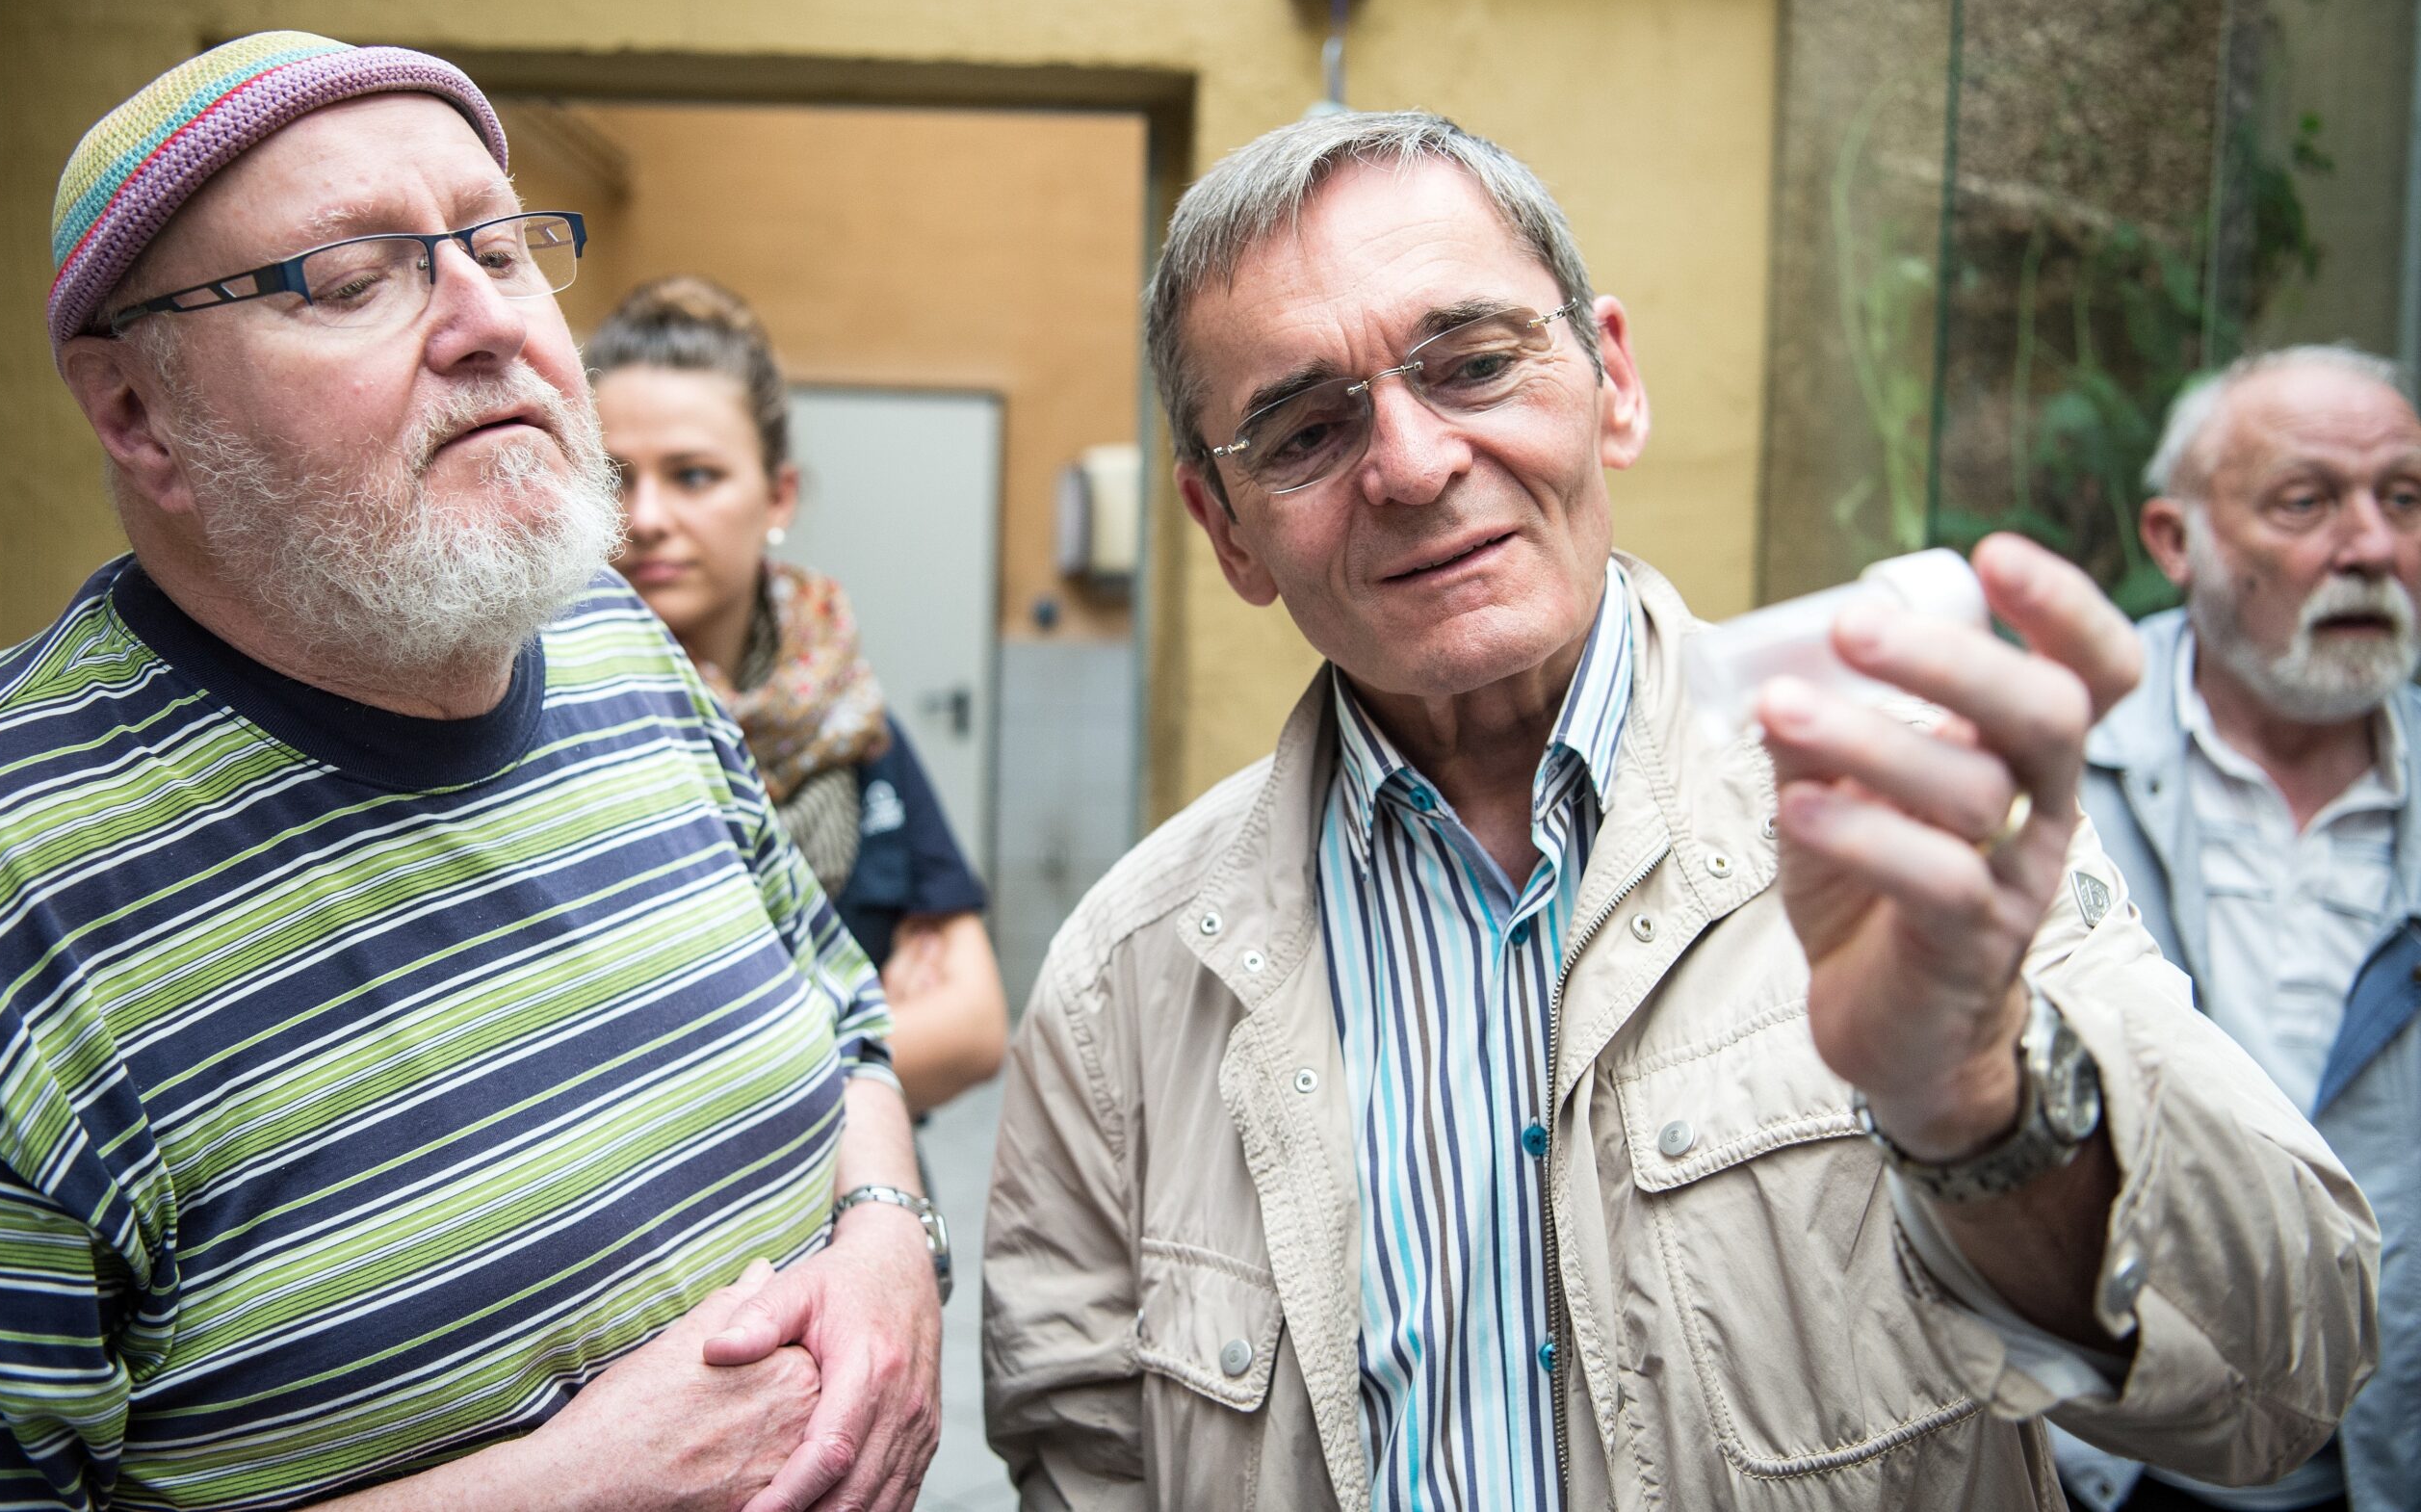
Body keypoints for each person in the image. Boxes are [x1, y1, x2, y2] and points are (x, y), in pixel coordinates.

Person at [980, 110, 2379, 1509]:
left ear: (1615, 380)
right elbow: (1085, 1467)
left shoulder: (1902, 814)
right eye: (1303, 430)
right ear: (1226, 530)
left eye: (1472, 363)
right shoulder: (1127, 982)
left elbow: (2287, 1373)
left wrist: (1976, 1097)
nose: (1409, 463)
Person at [0, 32, 940, 1512]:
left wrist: (885, 1238)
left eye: (501, 243)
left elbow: (842, 1001)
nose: (489, 322)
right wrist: (569, 1485)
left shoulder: (616, 636)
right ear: (134, 412)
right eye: (353, 277)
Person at [2056, 347, 2421, 1512]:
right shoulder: (2044, 763)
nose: (2368, 545)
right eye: (2305, 503)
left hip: (2375, 1466)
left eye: (2403, 499)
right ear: (2174, 541)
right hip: (2096, 1463)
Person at [589, 277, 1007, 1118]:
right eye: (612, 478)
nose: (649, 515)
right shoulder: (547, 713)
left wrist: (710, 1082)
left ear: (777, 497)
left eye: (694, 475)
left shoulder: (842, 720)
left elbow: (971, 1029)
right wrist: (869, 1040)